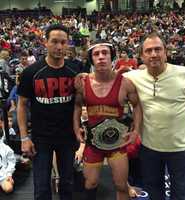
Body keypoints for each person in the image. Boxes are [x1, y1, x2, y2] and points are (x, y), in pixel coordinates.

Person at [124, 31, 185, 200]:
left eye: (158, 49)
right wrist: (84, 76)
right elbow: (107, 79)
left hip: (180, 149)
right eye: (148, 51)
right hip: (149, 149)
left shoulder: (184, 74)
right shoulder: (133, 77)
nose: (153, 54)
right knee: (155, 193)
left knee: (182, 195)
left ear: (166, 52)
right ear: (142, 56)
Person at [73, 40, 142, 200]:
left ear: (112, 57)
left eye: (105, 53)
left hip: (117, 144)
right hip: (93, 144)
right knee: (90, 184)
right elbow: (77, 107)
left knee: (121, 185)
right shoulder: (83, 83)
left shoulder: (125, 83)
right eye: (96, 54)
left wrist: (136, 131)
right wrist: (77, 129)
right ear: (91, 59)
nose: (101, 57)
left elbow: (137, 106)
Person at [17, 24, 78, 200]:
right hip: (40, 138)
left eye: (63, 42)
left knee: (67, 184)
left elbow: (80, 102)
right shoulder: (31, 72)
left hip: (67, 137)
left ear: (68, 44)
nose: (59, 47)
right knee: (42, 187)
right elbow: (21, 104)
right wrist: (24, 137)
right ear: (46, 43)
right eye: (54, 42)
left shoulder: (76, 70)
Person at [0, 127, 16, 193]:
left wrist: (9, 174)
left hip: (2, 175)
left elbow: (11, 162)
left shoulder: (6, 148)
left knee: (8, 188)